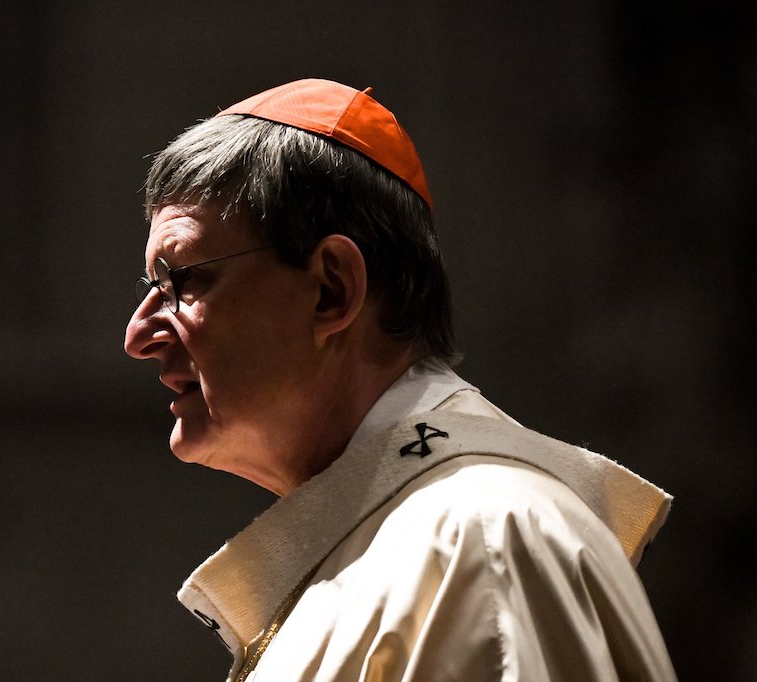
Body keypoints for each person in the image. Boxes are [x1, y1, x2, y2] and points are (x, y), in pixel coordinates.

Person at [124, 79, 676, 682]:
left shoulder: (481, 541)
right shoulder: (397, 549)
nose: (137, 335)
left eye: (181, 282)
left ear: (331, 290)